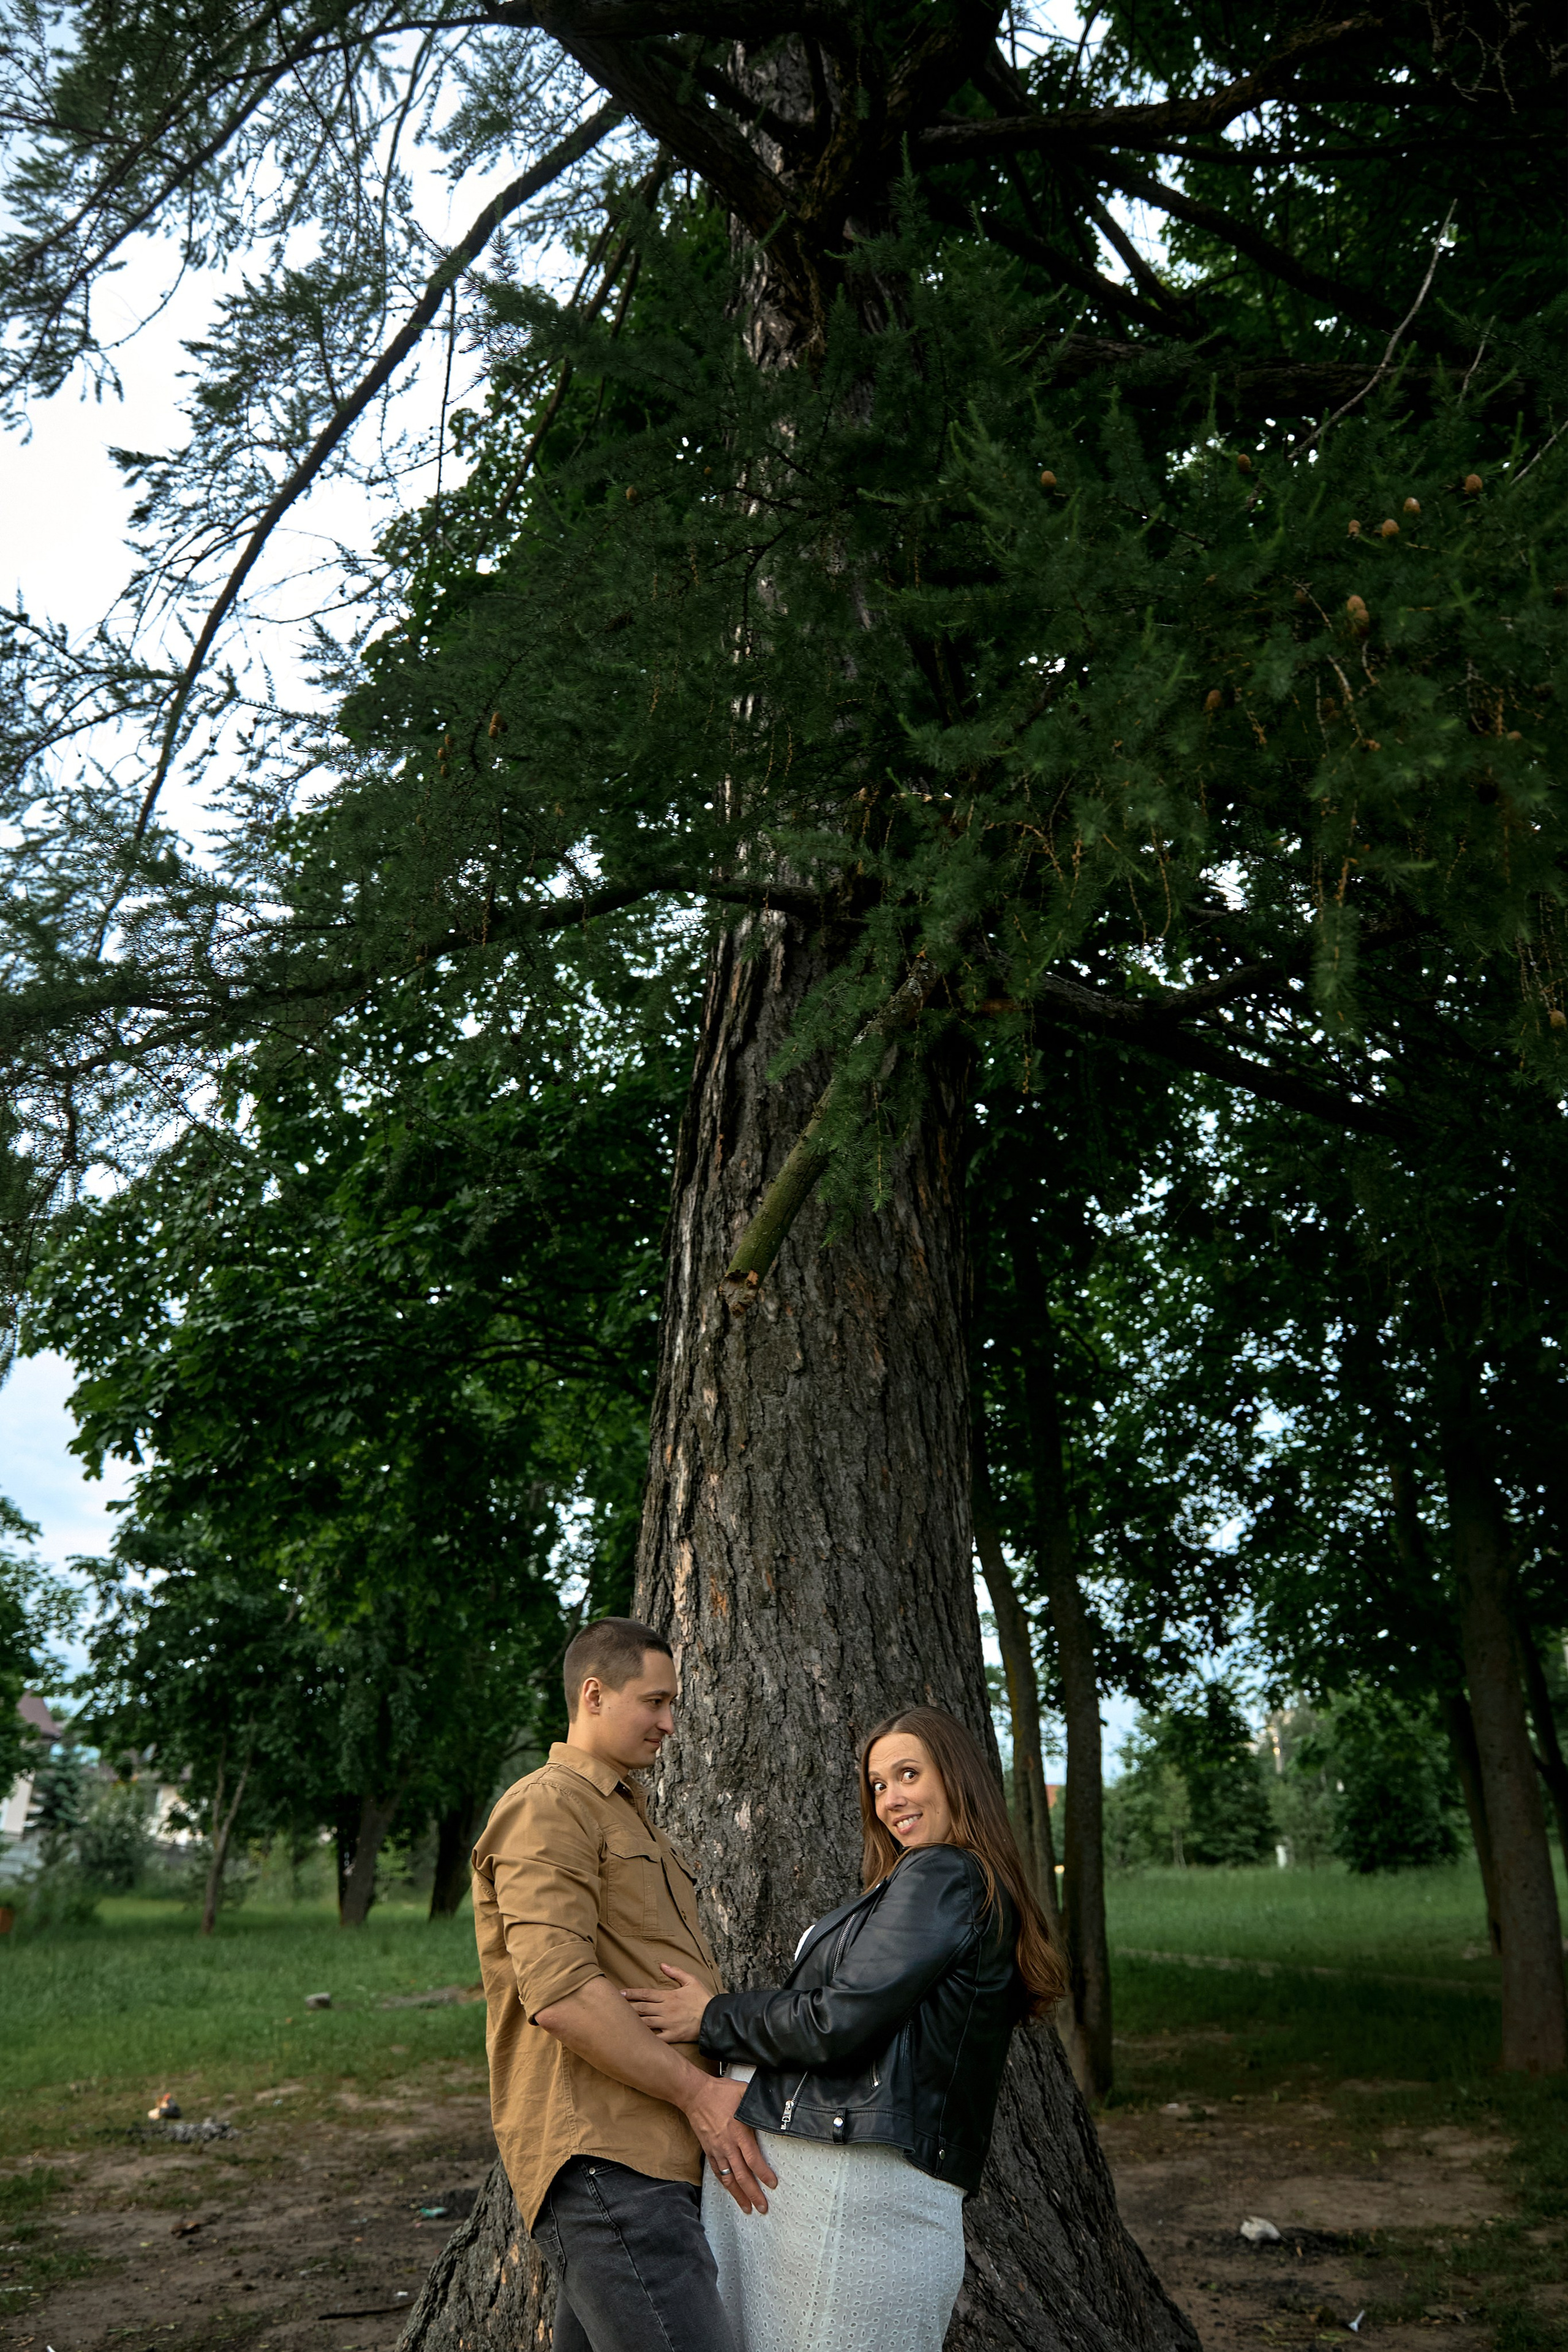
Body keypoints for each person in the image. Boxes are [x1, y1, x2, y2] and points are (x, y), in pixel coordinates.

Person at [625, 1704, 1066, 2352]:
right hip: (821, 2188)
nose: (892, 1799)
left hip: (848, 2190)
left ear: (958, 1780)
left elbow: (839, 2023)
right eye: (879, 1785)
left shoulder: (943, 1872)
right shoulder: (928, 1882)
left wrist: (712, 2017)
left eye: (909, 1774)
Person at [471, 1616, 774, 2352]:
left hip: (646, 2163)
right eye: (656, 1702)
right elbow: (562, 1996)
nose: (670, 1724)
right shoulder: (547, 1806)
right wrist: (698, 2094)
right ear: (595, 1695)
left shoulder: (627, 1817)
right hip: (607, 2162)